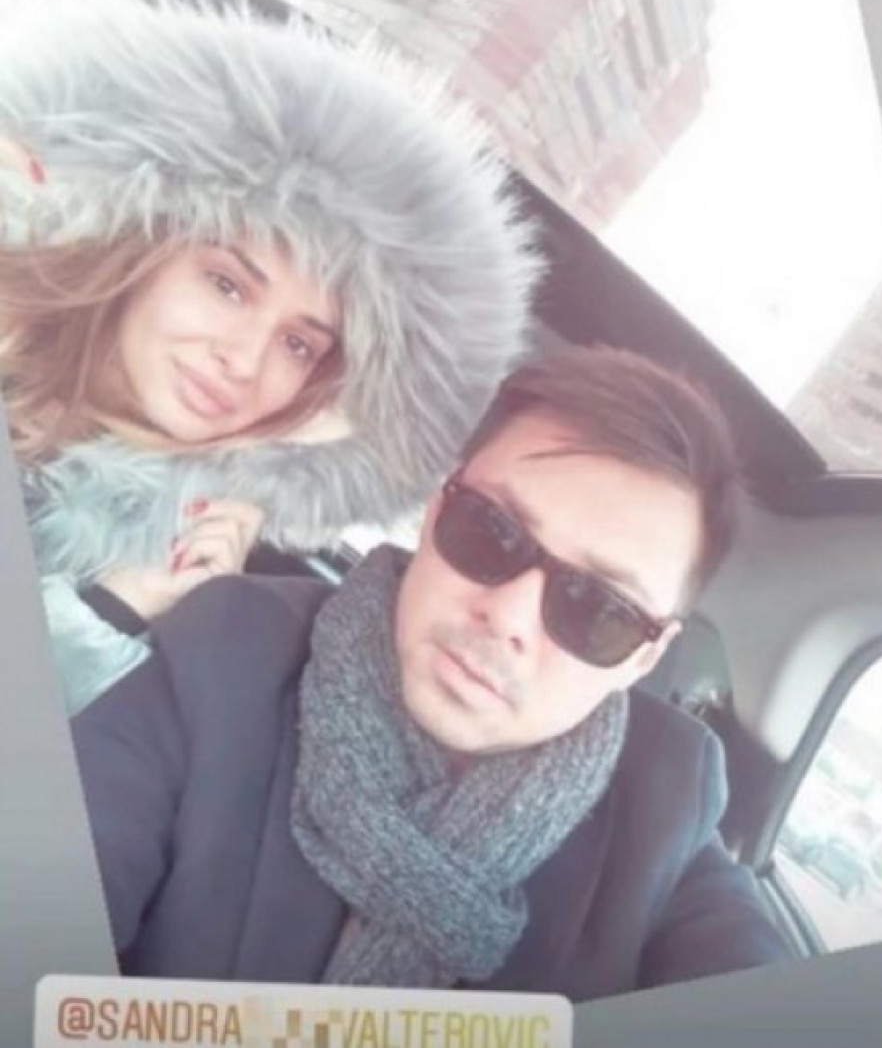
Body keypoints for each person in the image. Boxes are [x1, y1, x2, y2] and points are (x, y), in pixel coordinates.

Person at [71, 341, 790, 1000]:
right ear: (435, 511)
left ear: (644, 656)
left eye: (600, 609)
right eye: (492, 531)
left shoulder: (667, 803)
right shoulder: (230, 649)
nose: (508, 618)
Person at [0, 0, 537, 714]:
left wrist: (116, 616)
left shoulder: (183, 582)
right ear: (137, 241)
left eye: (298, 345)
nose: (245, 360)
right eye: (227, 285)